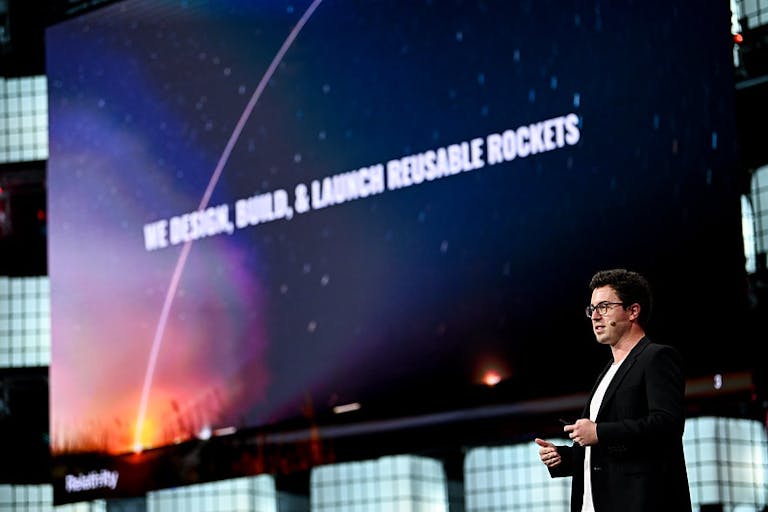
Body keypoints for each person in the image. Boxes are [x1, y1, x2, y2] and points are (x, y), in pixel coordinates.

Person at [534, 268, 691, 512]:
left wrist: (599, 432)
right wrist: (564, 457)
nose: (595, 316)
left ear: (633, 311)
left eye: (604, 307)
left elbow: (666, 425)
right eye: (592, 309)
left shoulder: (656, 357)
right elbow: (605, 451)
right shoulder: (608, 371)